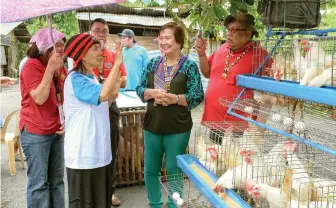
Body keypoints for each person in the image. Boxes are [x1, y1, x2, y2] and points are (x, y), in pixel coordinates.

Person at [136, 22, 204, 208]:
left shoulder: (189, 66)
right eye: (161, 38)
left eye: (168, 38)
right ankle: (155, 204)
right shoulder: (152, 63)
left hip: (178, 127)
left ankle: (174, 204)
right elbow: (139, 89)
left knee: (174, 170)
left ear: (179, 41)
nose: (163, 42)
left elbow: (197, 95)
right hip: (152, 125)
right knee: (150, 169)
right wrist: (151, 93)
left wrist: (175, 98)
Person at [63, 33, 123, 208]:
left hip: (98, 154)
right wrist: (117, 62)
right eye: (95, 49)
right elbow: (102, 94)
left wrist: (115, 87)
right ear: (82, 54)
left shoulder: (92, 77)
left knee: (100, 202)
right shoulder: (75, 79)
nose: (101, 52)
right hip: (83, 156)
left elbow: (105, 100)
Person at [195, 13, 271, 131]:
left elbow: (268, 89)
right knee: (213, 148)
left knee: (235, 150)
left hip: (240, 122)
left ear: (248, 32)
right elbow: (207, 73)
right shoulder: (222, 48)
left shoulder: (259, 54)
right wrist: (201, 54)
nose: (229, 33)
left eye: (234, 30)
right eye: (228, 29)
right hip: (215, 119)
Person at [19, 28, 66, 208]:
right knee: (39, 185)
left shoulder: (58, 65)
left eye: (63, 44)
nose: (62, 49)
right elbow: (39, 97)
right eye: (57, 45)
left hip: (56, 130)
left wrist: (65, 118)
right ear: (45, 48)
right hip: (35, 133)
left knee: (57, 182)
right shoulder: (31, 66)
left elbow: (61, 96)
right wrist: (50, 69)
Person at [89, 18, 127, 206]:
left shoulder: (113, 55)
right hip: (90, 107)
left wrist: (113, 81)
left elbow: (125, 79)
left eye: (104, 31)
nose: (101, 34)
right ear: (90, 33)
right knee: (92, 148)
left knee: (111, 149)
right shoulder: (84, 56)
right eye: (97, 30)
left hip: (110, 106)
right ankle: (92, 189)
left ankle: (110, 191)